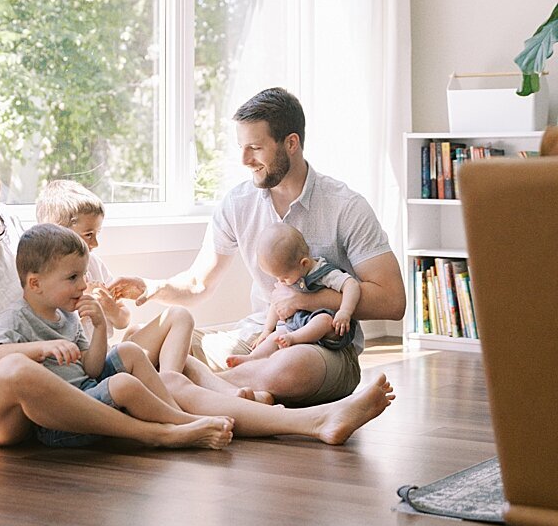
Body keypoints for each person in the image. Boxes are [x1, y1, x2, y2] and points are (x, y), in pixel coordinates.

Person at [0, 133, 395, 449]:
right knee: (15, 368)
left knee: (167, 356)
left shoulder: (2, 239)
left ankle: (310, 421)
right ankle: (160, 435)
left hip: (64, 373)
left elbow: (51, 292)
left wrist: (91, 309)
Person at [111, 86, 406, 407]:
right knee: (139, 343)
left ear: (291, 143)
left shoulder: (345, 206)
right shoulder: (238, 203)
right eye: (241, 147)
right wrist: (152, 287)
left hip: (323, 345)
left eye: (255, 147)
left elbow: (392, 301)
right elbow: (198, 283)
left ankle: (188, 388)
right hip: (255, 338)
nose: (244, 159)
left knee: (290, 368)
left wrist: (305, 300)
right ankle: (219, 392)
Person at [0, 223, 233, 448]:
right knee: (122, 384)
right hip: (62, 422)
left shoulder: (68, 315)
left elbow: (91, 369)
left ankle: (177, 415)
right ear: (35, 283)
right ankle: (184, 423)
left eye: (83, 275)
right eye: (73, 277)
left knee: (129, 350)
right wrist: (41, 348)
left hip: (89, 390)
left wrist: (101, 326)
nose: (83, 285)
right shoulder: (15, 317)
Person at [35, 179, 194, 373]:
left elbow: (123, 319)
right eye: (88, 234)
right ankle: (171, 384)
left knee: (175, 317)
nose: (96, 243)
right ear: (59, 232)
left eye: (97, 233)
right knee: (142, 342)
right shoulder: (44, 282)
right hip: (85, 370)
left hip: (108, 359)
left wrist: (109, 308)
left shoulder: (93, 263)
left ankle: (171, 379)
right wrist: (85, 305)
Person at [225, 224, 360, 368]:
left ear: (304, 263)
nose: (280, 281)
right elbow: (275, 304)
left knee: (323, 320)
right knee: (276, 337)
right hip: (296, 326)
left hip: (330, 330)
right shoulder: (291, 273)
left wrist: (345, 311)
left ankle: (293, 339)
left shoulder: (324, 273)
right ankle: (253, 358)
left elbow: (351, 285)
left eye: (284, 278)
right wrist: (267, 330)